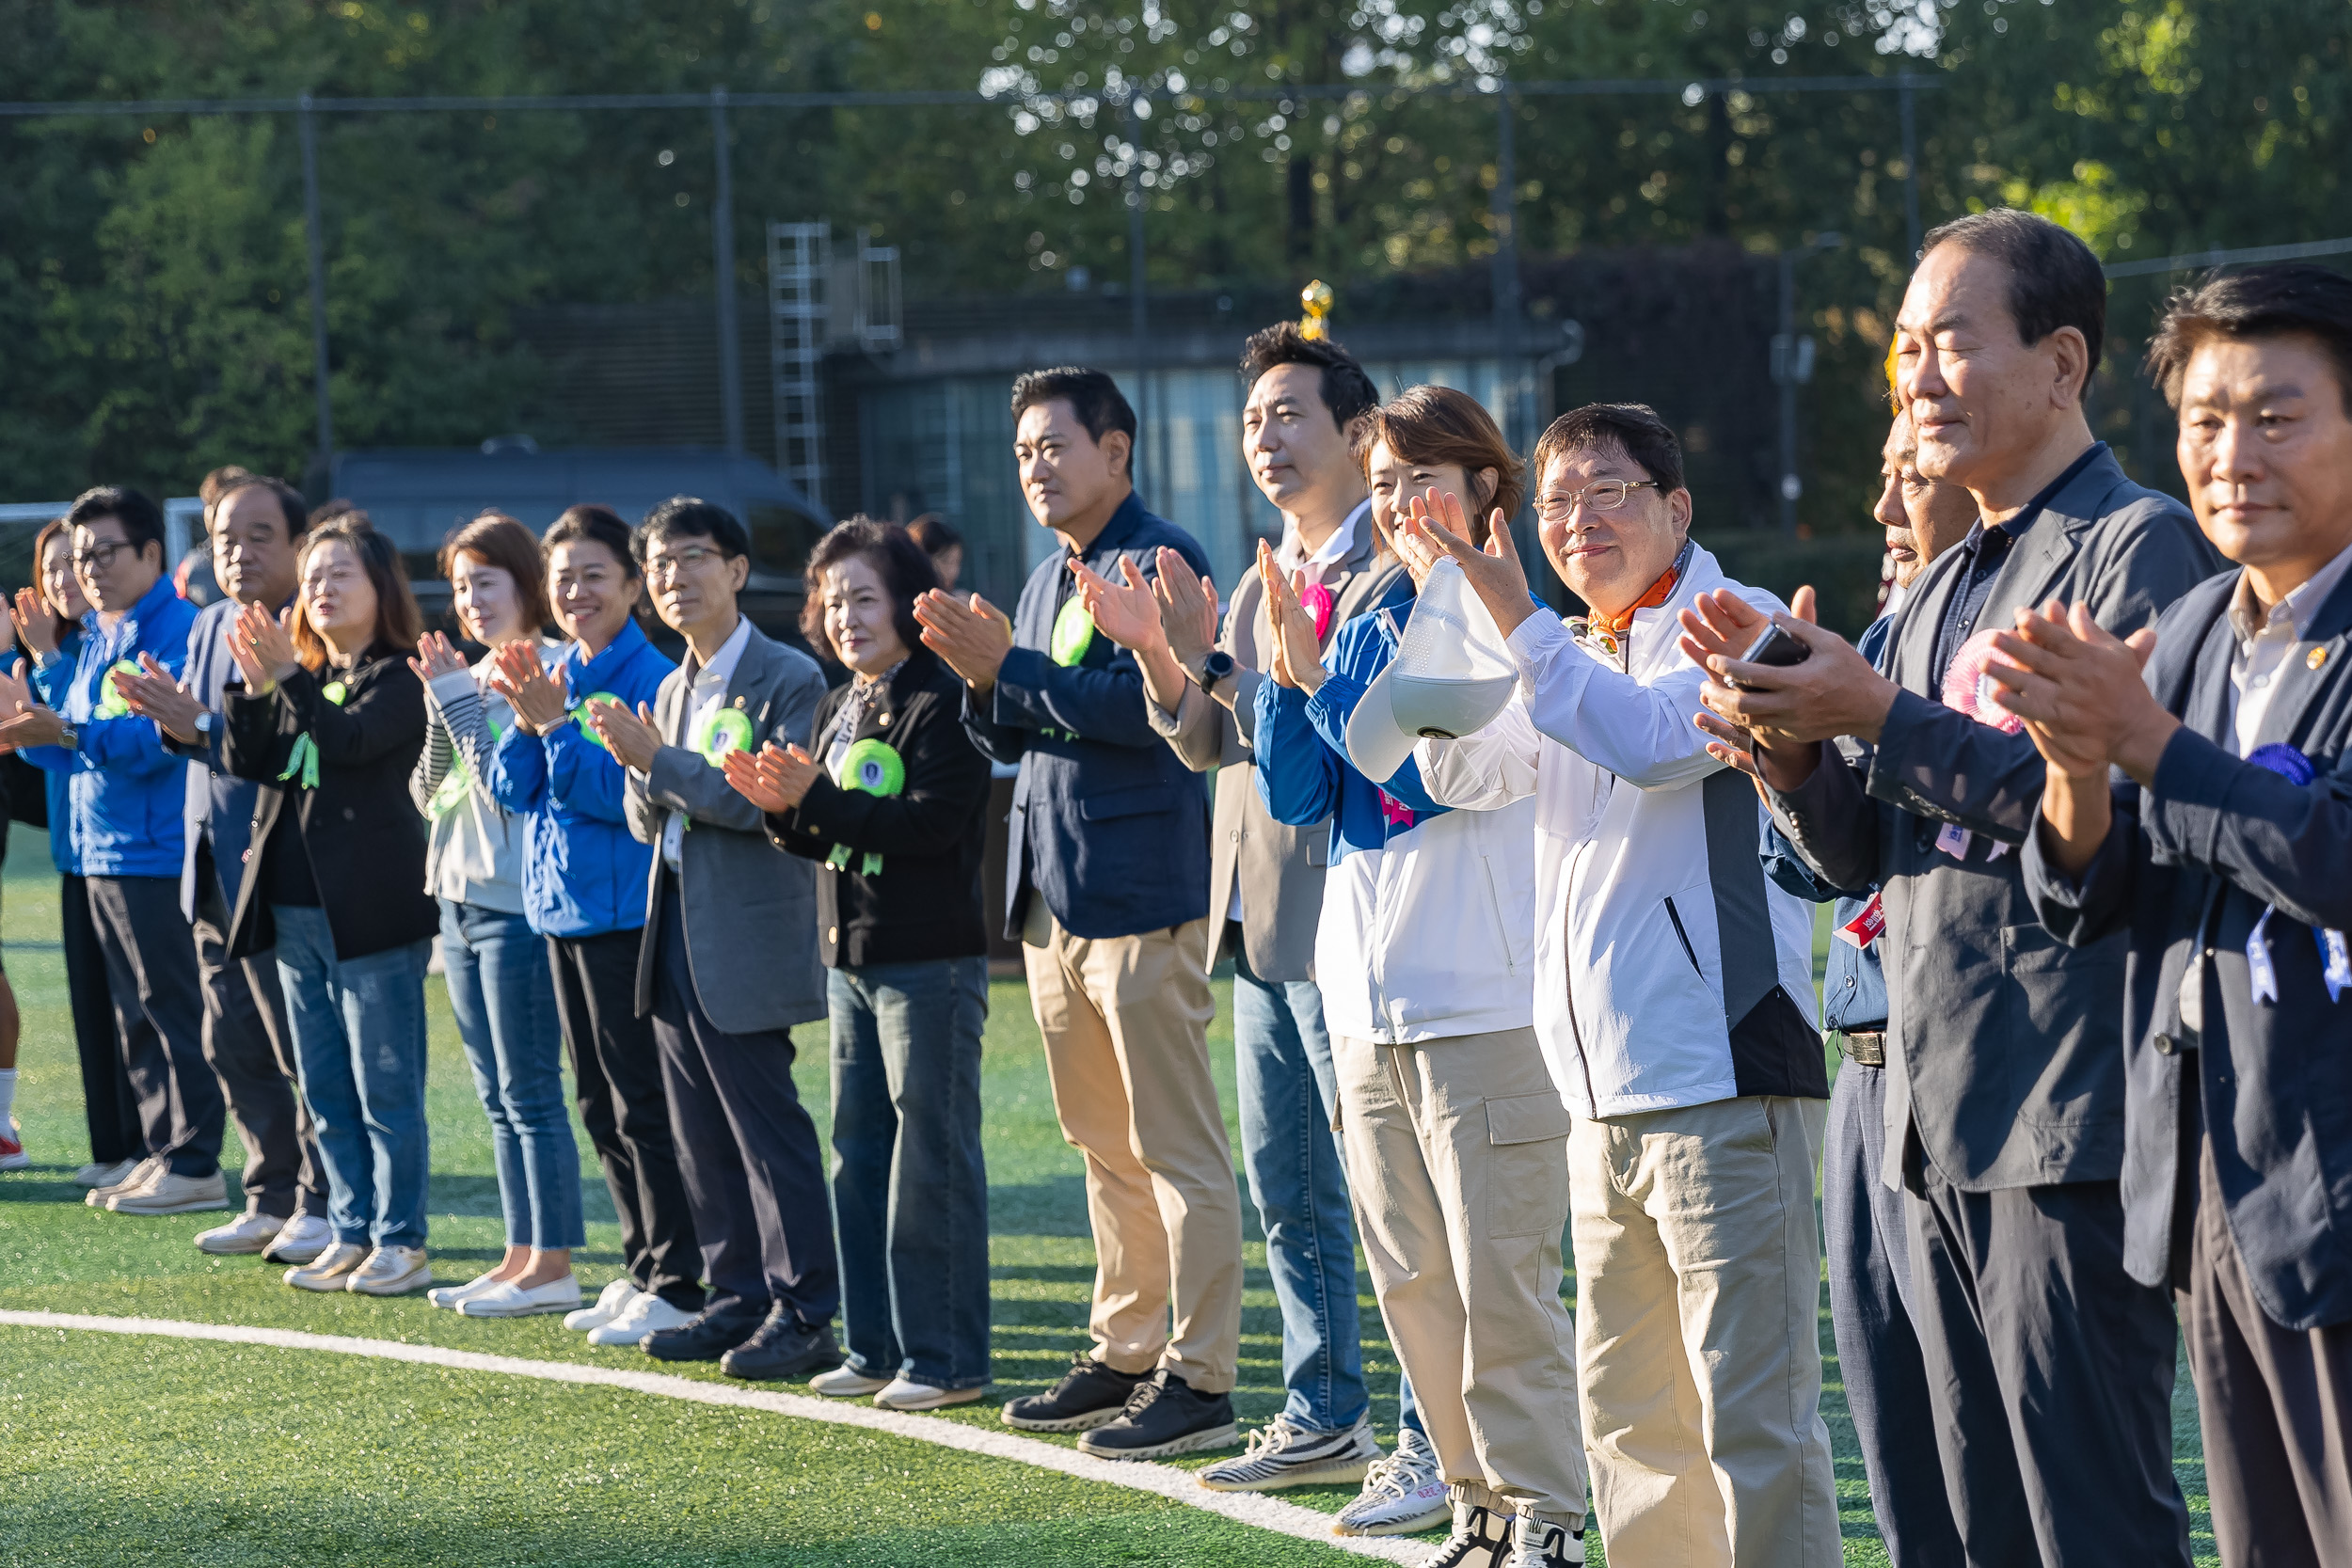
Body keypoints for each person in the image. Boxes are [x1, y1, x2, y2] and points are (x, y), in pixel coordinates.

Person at [1682, 208, 2215, 1566]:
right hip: (1928, 1118)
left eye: (1951, 342)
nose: (1917, 374)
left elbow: (2117, 828)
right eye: (1905, 346)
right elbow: (1866, 857)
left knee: (2089, 1520)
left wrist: (1880, 709)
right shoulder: (1936, 585)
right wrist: (1791, 750)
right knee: (1974, 1525)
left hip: (2070, 1112)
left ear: (2062, 362)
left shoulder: (2130, 546)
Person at [2004, 264, 2352, 1568]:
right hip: (2214, 1182)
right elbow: (2097, 900)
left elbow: (2333, 855)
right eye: (2206, 419)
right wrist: (2076, 769)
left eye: (2277, 415)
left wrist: (2145, 737)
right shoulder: (2199, 621)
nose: (2230, 453)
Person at [1073, 322, 1423, 1511]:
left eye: (1289, 416)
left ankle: (1433, 1430)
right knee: (1294, 1185)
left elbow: (1344, 743)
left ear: (1357, 434)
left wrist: (1226, 668)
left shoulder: (1393, 570)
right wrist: (1167, 660)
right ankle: (1326, 1411)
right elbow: (1212, 745)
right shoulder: (1268, 566)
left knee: (1391, 1197)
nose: (1263, 440)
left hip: (1364, 933)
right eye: (1251, 421)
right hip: (1263, 930)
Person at [1259, 386, 1584, 1568]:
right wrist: (1292, 683)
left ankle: (1545, 1513)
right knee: (1410, 1284)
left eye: (1421, 478)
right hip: (1366, 1007)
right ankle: (1474, 1505)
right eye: (1384, 482)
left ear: (1485, 485)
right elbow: (1301, 800)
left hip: (1482, 1003)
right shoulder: (1357, 613)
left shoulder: (1507, 611)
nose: (1399, 504)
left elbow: (1431, 782)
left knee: (1505, 1288)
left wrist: (1348, 698)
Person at [914, 366, 1240, 1462]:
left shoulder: (1163, 556)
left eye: (1054, 446)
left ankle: (1200, 1372)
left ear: (1117, 450)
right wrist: (978, 680)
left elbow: (1152, 711)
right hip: (1053, 897)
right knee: (1102, 1144)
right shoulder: (1053, 573)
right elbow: (1014, 733)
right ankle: (1125, 1346)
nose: (1034, 468)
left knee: (1175, 1146)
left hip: (1143, 892)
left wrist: (1004, 667)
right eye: (1022, 453)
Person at [1704, 410, 1977, 1566]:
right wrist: (1779, 758)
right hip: (1860, 1070)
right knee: (1893, 1422)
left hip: (1959, 1059)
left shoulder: (1986, 650)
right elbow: (1818, 869)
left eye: (1907, 480)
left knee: (1990, 1440)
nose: (1881, 513)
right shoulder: (1866, 645)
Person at [726, 517, 995, 1410]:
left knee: (931, 1159)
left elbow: (933, 824)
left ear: (910, 603)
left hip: (929, 961)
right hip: (851, 958)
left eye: (864, 597)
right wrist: (780, 807)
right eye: (832, 599)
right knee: (860, 1153)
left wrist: (819, 801)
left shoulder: (942, 693)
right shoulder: (843, 700)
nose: (845, 616)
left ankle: (947, 1358)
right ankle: (876, 1346)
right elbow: (824, 825)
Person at [585, 496, 836, 1381]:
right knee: (699, 1131)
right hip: (678, 928)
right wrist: (640, 767)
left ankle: (805, 1307)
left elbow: (757, 797)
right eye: (658, 565)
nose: (673, 578)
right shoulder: (668, 684)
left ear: (736, 569)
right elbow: (645, 815)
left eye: (692, 558)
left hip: (748, 933)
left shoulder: (788, 677)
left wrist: (655, 761)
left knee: (767, 1127)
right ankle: (735, 1295)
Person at [484, 505, 698, 1347]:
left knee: (642, 1098)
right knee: (597, 1100)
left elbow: (624, 799)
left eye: (594, 575)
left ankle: (678, 1275)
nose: (575, 592)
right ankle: (641, 1262)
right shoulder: (559, 670)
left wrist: (554, 726)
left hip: (624, 916)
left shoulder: (650, 676)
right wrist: (529, 717)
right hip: (560, 914)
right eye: (562, 577)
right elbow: (514, 785)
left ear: (635, 586)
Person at [216, 517, 438, 1295]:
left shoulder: (401, 677)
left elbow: (346, 743)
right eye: (312, 578)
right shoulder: (300, 673)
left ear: (383, 587)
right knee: (325, 1085)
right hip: (294, 912)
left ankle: (400, 1237)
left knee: (385, 1086)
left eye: (341, 573)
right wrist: (253, 683)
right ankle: (349, 1227)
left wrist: (289, 679)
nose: (322, 589)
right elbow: (245, 760)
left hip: (371, 916)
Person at [117, 474, 334, 1265]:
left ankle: (322, 1198)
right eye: (223, 539)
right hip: (210, 862)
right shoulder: (209, 623)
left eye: (258, 536)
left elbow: (302, 749)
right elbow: (205, 739)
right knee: (231, 1037)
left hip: (285, 870)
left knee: (299, 1043)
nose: (237, 553)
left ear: (299, 545)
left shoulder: (313, 628)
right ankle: (269, 1192)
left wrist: (199, 723)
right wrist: (175, 720)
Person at [1, 486, 222, 1216]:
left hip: (154, 851)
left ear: (152, 553)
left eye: (104, 552)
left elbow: (154, 740)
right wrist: (43, 710)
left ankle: (195, 1158)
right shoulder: (100, 633)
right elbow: (63, 738)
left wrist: (61, 732)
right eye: (81, 554)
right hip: (99, 848)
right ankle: (161, 1151)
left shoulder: (176, 630)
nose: (89, 569)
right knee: (136, 1012)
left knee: (172, 1007)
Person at [410, 514, 583, 1318]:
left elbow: (507, 785)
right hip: (458, 899)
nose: (470, 599)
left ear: (525, 583)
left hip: (517, 903)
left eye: (485, 581)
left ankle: (554, 1262)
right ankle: (520, 1253)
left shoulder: (550, 669)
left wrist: (458, 702)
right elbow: (428, 789)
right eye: (458, 586)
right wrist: (445, 703)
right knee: (495, 1094)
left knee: (531, 1090)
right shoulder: (468, 674)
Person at [10, 521, 135, 1186]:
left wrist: (43, 664)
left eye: (75, 562)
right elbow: (29, 731)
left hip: (128, 853)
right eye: (52, 568)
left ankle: (157, 1151)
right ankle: (113, 1148)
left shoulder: (102, 648)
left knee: (136, 1009)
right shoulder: (49, 650)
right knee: (92, 1006)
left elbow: (75, 734)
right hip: (74, 853)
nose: (63, 578)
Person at [908, 515, 964, 592]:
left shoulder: (960, 598)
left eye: (957, 562)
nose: (954, 571)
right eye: (945, 561)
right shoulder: (895, 600)